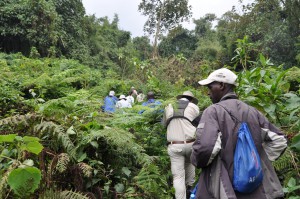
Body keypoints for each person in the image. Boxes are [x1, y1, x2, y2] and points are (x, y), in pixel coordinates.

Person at [190, 68, 287, 199]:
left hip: (224, 188)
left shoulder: (212, 112)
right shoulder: (253, 111)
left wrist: (196, 160)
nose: (208, 93)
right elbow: (279, 141)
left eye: (210, 87)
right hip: (256, 188)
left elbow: (205, 148)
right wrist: (255, 159)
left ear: (222, 85)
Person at [162, 91, 200, 199]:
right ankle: (190, 191)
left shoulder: (169, 106)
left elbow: (164, 124)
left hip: (175, 145)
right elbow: (198, 123)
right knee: (190, 164)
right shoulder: (194, 107)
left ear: (180, 98)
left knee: (178, 177)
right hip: (191, 144)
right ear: (191, 99)